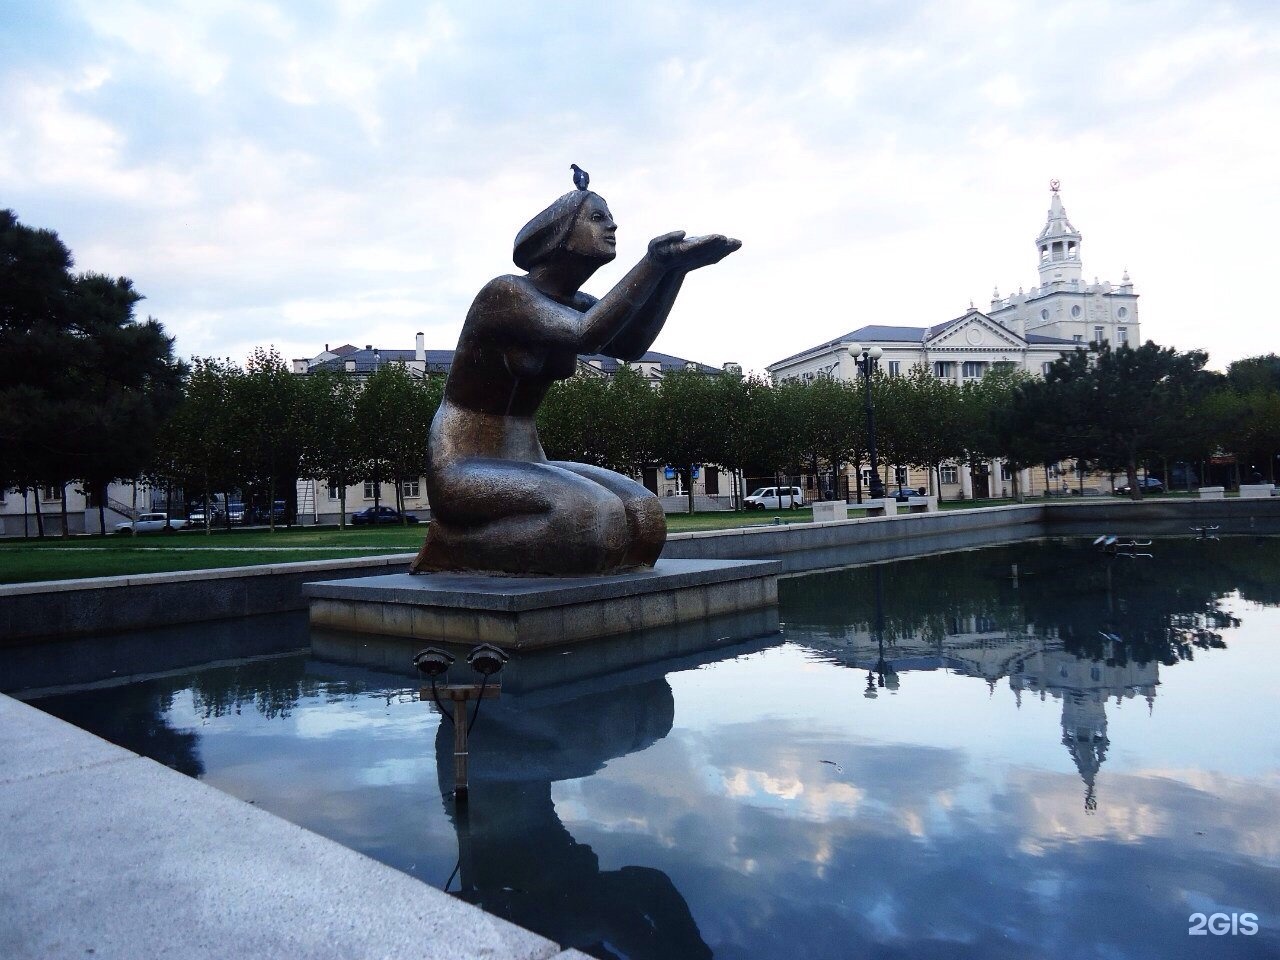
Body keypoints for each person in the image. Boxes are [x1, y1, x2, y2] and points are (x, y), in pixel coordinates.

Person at [410, 181, 740, 576]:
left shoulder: (577, 302)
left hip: (526, 459)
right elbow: (587, 334)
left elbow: (632, 344)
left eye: (611, 218)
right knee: (590, 517)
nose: (612, 227)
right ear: (561, 234)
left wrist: (674, 272)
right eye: (598, 217)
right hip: (463, 465)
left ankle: (463, 547)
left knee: (644, 516)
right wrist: (653, 264)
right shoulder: (505, 294)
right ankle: (452, 546)